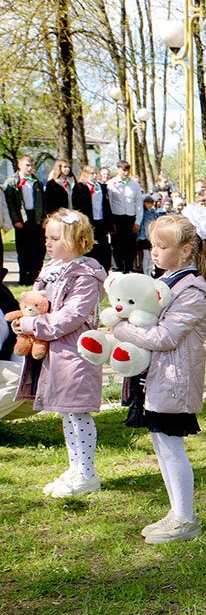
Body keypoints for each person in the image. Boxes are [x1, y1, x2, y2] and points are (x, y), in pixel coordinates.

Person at [113, 212, 206, 544]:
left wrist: (120, 329)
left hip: (175, 380)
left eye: (162, 247)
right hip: (156, 378)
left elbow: (165, 336)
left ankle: (185, 518)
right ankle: (177, 511)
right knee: (161, 445)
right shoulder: (166, 283)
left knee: (171, 446)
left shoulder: (192, 292)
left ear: (186, 251)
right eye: (153, 246)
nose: (155, 252)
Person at [11, 209, 107, 498]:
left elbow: (70, 317)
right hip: (56, 352)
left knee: (78, 413)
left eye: (55, 238)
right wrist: (24, 319)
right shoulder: (51, 269)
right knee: (67, 413)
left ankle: (87, 473)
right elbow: (35, 303)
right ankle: (75, 468)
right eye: (47, 238)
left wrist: (31, 325)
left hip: (76, 352)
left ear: (77, 240)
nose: (48, 243)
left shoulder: (85, 275)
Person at [4, 154, 47, 285]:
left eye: (31, 165)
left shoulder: (36, 182)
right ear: (19, 165)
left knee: (39, 249)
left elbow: (42, 202)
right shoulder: (12, 182)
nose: (30, 168)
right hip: (22, 218)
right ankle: (24, 277)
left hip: (36, 217)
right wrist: (16, 220)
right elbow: (10, 203)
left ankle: (35, 276)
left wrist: (43, 219)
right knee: (24, 250)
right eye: (27, 165)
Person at [72, 165, 112, 271]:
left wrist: (109, 223)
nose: (94, 176)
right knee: (90, 245)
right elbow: (77, 205)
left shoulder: (101, 187)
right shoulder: (80, 187)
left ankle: (103, 268)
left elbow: (106, 205)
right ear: (86, 174)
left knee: (103, 246)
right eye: (91, 173)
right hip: (88, 221)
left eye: (95, 173)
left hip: (101, 220)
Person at [106, 160, 144, 273]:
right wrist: (111, 222)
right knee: (117, 245)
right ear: (118, 169)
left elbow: (139, 203)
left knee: (130, 245)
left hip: (130, 217)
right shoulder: (111, 183)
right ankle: (117, 269)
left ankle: (128, 268)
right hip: (117, 217)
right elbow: (109, 203)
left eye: (127, 170)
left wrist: (138, 221)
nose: (126, 172)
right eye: (123, 170)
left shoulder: (134, 185)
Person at [136, 195, 159, 276]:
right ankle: (146, 273)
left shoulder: (153, 212)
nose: (149, 204)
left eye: (151, 203)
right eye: (147, 203)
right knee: (146, 256)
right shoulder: (142, 213)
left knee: (151, 256)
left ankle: (149, 272)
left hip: (151, 237)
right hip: (143, 237)